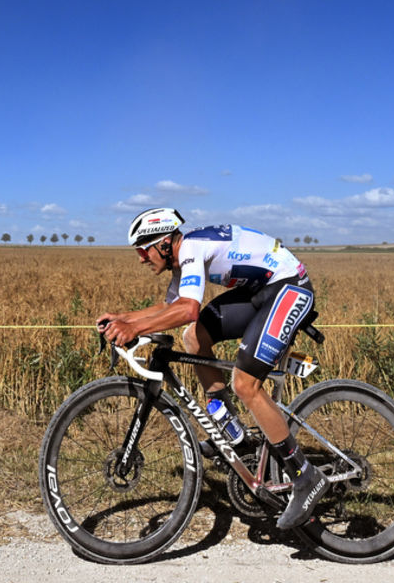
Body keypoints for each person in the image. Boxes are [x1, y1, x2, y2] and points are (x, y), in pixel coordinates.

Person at [96, 207, 327, 531]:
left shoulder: (189, 249)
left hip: (289, 287)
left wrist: (133, 329)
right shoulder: (183, 256)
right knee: (195, 338)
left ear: (163, 243)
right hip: (260, 291)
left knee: (246, 384)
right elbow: (169, 307)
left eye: (142, 250)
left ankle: (306, 477)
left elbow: (188, 309)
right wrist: (123, 319)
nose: (140, 259)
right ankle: (230, 429)